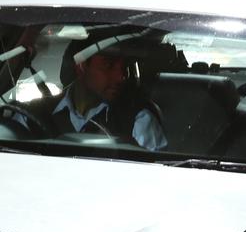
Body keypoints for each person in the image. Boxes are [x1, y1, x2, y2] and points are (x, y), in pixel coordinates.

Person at [21, 35, 167, 151]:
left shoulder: (139, 121)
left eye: (123, 67)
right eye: (108, 65)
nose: (120, 77)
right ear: (82, 66)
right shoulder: (31, 115)